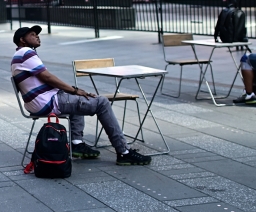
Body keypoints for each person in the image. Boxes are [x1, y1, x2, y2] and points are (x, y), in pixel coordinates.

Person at [11, 25, 152, 165]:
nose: (37, 36)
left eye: (37, 34)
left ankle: (77, 143)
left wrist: (73, 91)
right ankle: (124, 152)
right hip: (47, 102)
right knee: (102, 102)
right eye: (32, 34)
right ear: (22, 39)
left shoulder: (19, 55)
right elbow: (47, 77)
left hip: (38, 103)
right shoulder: (26, 52)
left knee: (78, 98)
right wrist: (74, 90)